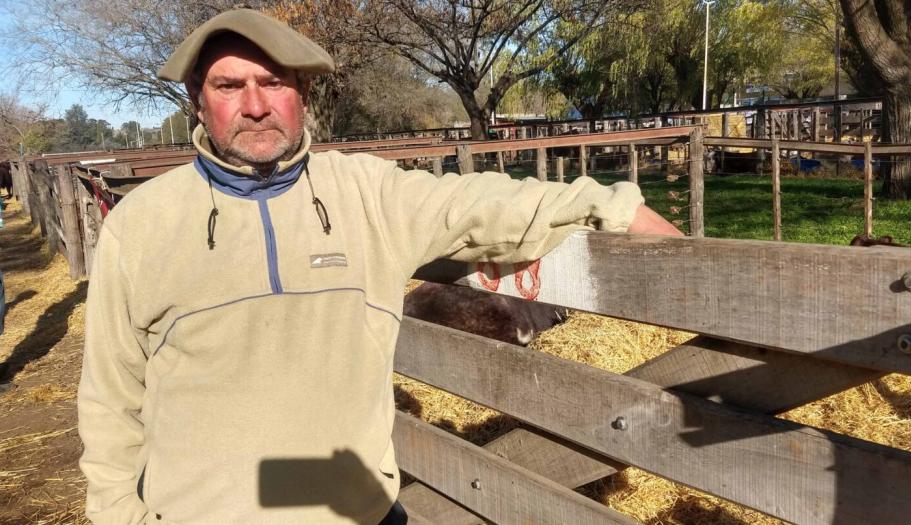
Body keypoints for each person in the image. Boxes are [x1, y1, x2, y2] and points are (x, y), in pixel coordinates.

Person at [77, 9, 681, 525]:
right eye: (230, 85)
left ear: (302, 94)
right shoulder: (142, 225)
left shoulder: (366, 194)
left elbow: (483, 202)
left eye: (273, 82)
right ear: (197, 101)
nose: (256, 106)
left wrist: (617, 207)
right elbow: (110, 398)